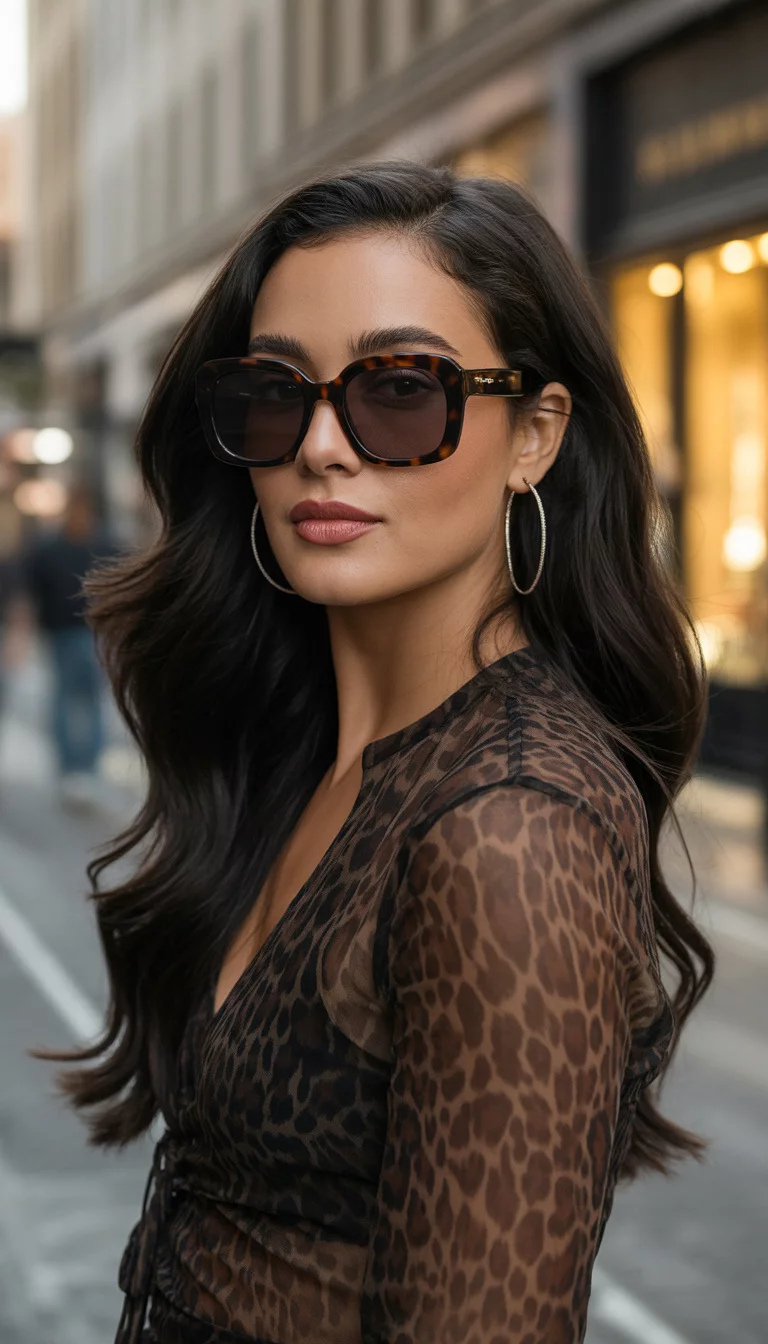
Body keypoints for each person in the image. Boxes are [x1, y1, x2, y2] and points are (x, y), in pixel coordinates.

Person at [41, 162, 715, 1343]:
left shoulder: (509, 824)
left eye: (400, 393)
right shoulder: (311, 750)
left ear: (534, 435)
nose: (321, 447)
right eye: (272, 394)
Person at [23, 482, 112, 802]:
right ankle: (72, 768)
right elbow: (30, 590)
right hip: (62, 632)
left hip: (95, 632)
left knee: (89, 700)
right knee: (67, 699)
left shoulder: (104, 544)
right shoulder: (50, 548)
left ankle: (85, 767)